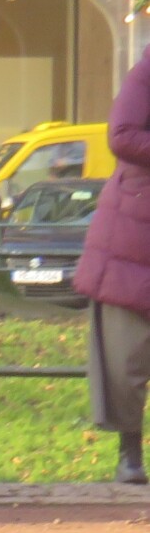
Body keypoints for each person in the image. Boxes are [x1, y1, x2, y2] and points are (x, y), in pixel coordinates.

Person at [74, 46, 150, 484]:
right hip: (132, 234)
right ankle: (130, 452)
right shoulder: (146, 75)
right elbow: (121, 134)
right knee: (126, 354)